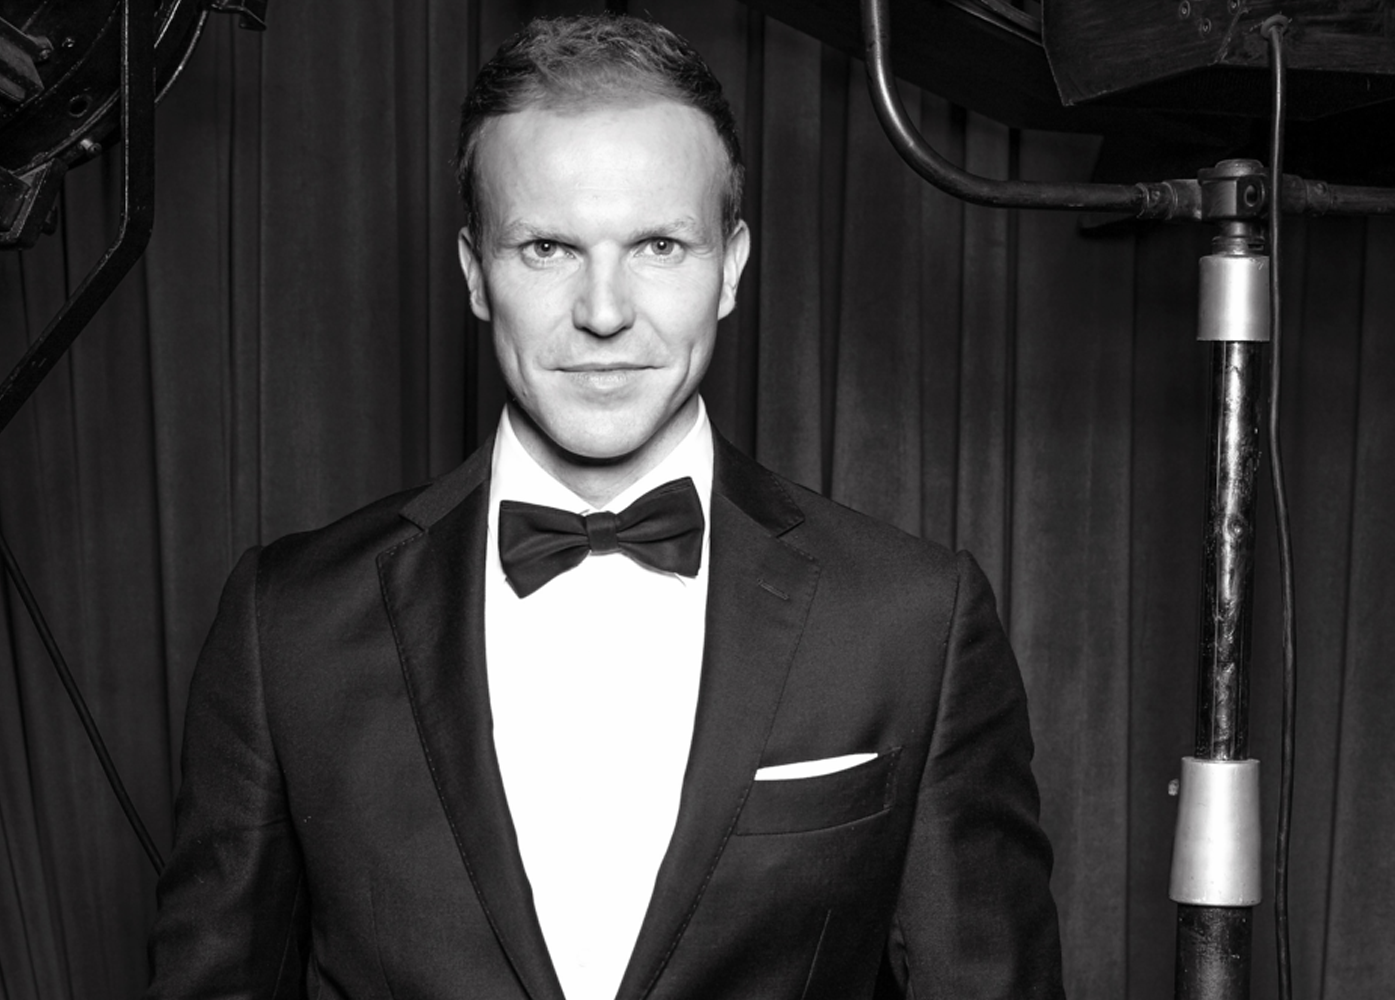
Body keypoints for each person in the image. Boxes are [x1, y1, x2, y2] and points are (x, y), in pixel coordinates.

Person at [146, 14, 1064, 1000]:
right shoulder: (289, 622)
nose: (604, 311)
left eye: (660, 245)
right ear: (476, 273)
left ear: (731, 268)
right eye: (547, 248)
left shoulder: (911, 620)